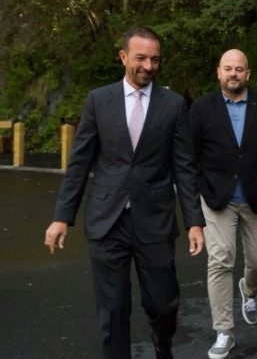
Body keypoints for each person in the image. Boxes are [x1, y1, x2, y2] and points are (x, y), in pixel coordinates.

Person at [43, 26, 205, 359]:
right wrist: (62, 217)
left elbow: (185, 168)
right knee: (113, 309)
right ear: (123, 57)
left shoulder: (173, 105)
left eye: (155, 60)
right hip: (107, 221)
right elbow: (79, 164)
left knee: (163, 305)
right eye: (140, 58)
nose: (148, 66)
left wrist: (194, 222)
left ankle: (164, 346)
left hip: (155, 221)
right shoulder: (98, 101)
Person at [188, 49, 257, 359]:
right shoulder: (202, 108)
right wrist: (197, 198)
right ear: (218, 72)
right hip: (218, 199)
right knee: (220, 260)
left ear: (248, 74)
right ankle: (224, 332)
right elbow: (191, 156)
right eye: (228, 68)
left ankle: (250, 291)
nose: (234, 74)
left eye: (240, 69)